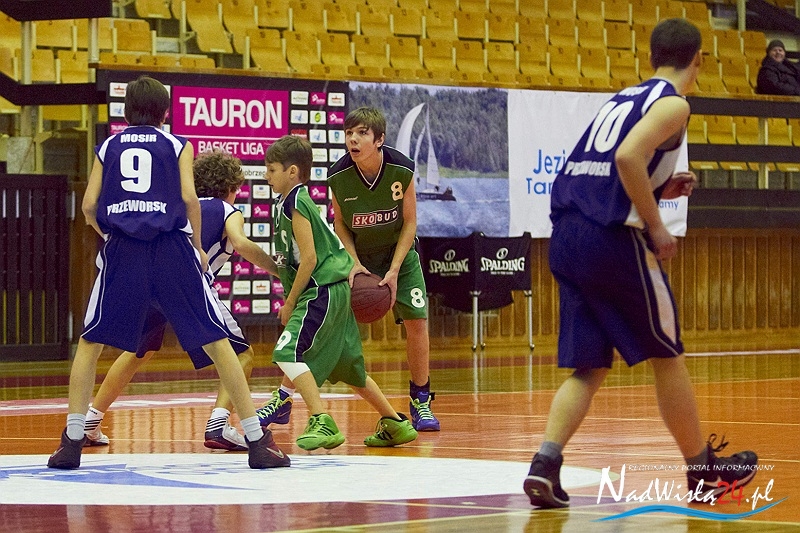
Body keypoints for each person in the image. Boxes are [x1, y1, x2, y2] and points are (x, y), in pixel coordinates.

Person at [524, 19, 758, 508]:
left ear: (652, 56)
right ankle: (703, 472)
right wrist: (656, 225)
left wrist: (657, 188)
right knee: (667, 353)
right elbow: (629, 157)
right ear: (699, 59)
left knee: (589, 365)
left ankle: (545, 464)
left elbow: (602, 171)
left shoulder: (623, 98)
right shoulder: (673, 103)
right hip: (611, 238)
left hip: (567, 235)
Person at [47, 76, 289, 470]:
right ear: (164, 112)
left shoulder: (108, 147)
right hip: (171, 246)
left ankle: (72, 440)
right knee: (217, 340)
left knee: (90, 343)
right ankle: (257, 441)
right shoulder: (177, 144)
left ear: (127, 111)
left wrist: (111, 233)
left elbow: (89, 206)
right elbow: (189, 199)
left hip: (123, 247)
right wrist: (197, 246)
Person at [255, 107, 441, 433]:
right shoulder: (338, 175)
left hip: (398, 253)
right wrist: (354, 262)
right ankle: (284, 398)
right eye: (348, 133)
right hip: (358, 257)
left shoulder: (401, 168)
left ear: (379, 139)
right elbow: (340, 223)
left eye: (361, 133)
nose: (352, 139)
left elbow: (410, 222)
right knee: (330, 337)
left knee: (417, 321)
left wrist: (395, 269)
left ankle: (420, 399)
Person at [82, 150, 278, 452]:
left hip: (152, 282)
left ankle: (90, 422)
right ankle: (219, 424)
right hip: (187, 286)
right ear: (231, 188)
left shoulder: (182, 207)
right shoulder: (227, 210)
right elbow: (240, 243)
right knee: (242, 354)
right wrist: (278, 269)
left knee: (137, 352)